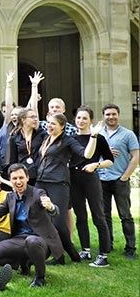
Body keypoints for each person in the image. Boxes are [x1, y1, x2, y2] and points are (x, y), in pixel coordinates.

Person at [0, 164, 64, 287]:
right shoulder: (10, 197)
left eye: (21, 178)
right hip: (19, 240)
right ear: (10, 180)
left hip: (41, 241)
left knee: (32, 241)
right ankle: (23, 262)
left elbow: (54, 211)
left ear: (27, 178)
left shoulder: (38, 193)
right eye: (14, 178)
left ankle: (40, 278)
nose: (18, 181)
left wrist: (51, 207)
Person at [35, 113, 98, 263]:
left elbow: (86, 154)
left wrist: (94, 137)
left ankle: (71, 254)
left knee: (58, 222)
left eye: (53, 124)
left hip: (58, 183)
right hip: (41, 182)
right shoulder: (46, 139)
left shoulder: (68, 140)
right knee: (41, 218)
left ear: (62, 126)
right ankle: (56, 254)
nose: (49, 126)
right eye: (49, 123)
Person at [70, 106, 114, 267]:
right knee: (80, 216)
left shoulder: (98, 138)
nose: (81, 121)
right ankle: (86, 250)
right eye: (78, 118)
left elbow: (110, 160)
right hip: (74, 179)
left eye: (84, 118)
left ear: (91, 121)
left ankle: (103, 255)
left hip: (90, 179)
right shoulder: (72, 138)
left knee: (98, 216)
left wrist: (96, 165)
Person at [98, 103, 138, 259]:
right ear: (104, 116)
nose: (111, 117)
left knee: (125, 215)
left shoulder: (128, 134)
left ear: (118, 115)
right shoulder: (99, 134)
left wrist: (125, 177)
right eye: (108, 114)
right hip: (102, 179)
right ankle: (108, 245)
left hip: (120, 179)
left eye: (114, 114)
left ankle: (130, 247)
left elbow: (135, 156)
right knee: (104, 215)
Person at [7, 107, 47, 183]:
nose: (35, 119)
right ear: (23, 119)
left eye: (36, 117)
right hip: (23, 176)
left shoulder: (42, 134)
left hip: (40, 175)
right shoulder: (14, 138)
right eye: (32, 117)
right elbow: (13, 160)